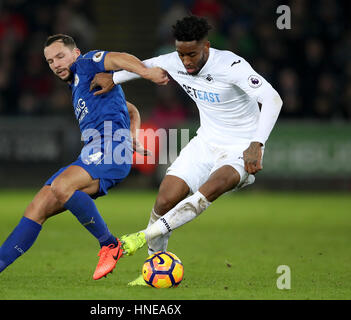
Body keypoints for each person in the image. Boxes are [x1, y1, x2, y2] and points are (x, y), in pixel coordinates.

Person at [0, 34, 168, 282]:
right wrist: (134, 136)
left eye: (60, 56)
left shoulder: (86, 64)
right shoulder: (77, 86)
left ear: (75, 54)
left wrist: (147, 73)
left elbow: (120, 58)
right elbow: (131, 109)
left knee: (62, 185)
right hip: (93, 153)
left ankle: (109, 245)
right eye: (50, 61)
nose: (56, 64)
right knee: (37, 207)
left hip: (110, 150)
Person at [90, 16, 283, 285]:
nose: (186, 61)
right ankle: (153, 267)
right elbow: (144, 67)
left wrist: (257, 144)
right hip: (205, 143)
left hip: (241, 148)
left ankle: (137, 239)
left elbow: (273, 98)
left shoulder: (231, 65)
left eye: (192, 54)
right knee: (165, 199)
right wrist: (114, 78)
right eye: (181, 54)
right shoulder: (174, 60)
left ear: (206, 46)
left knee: (209, 190)